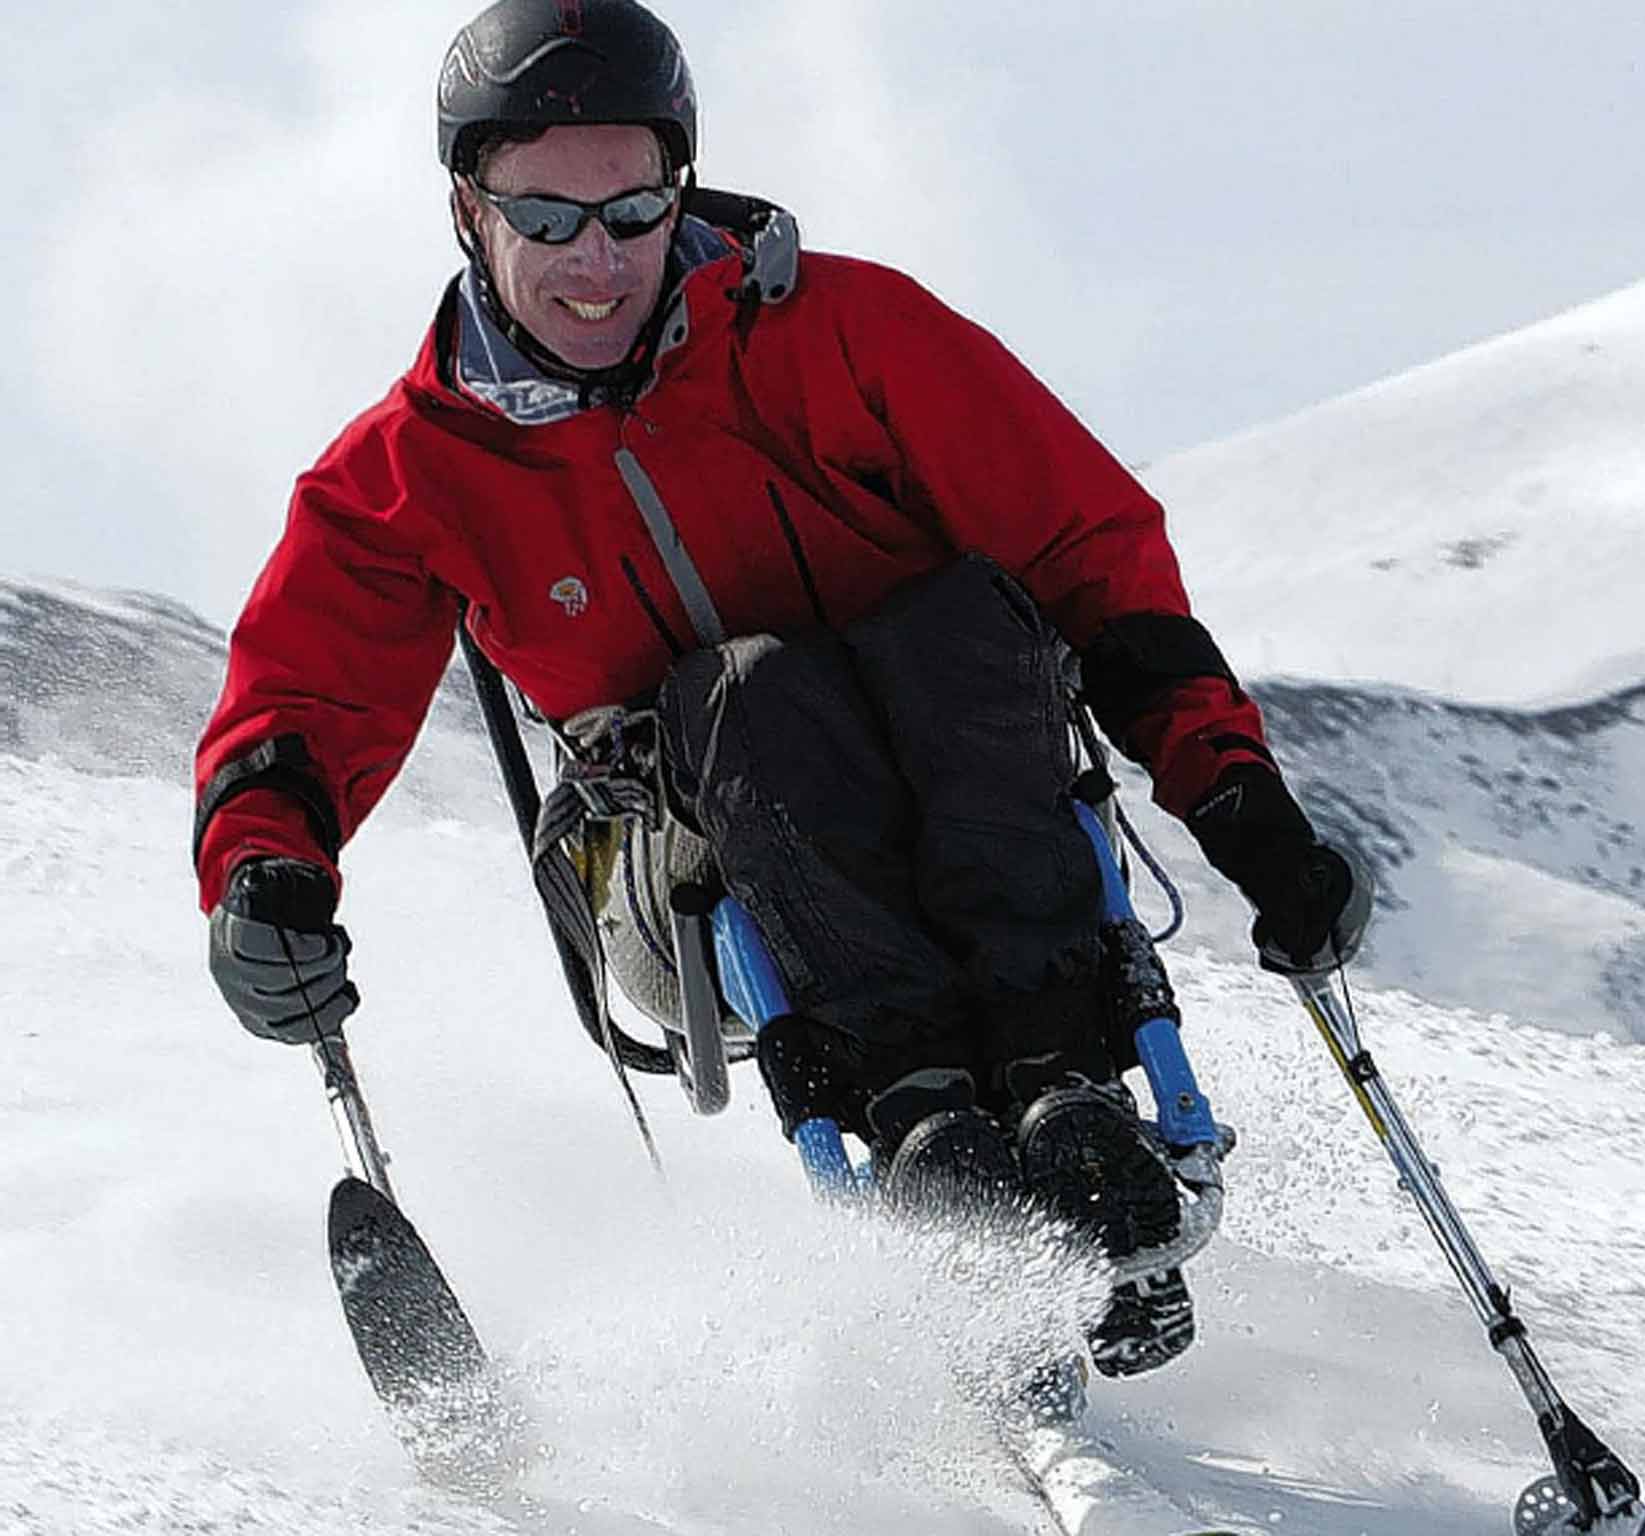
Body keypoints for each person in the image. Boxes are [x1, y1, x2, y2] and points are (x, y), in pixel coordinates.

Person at [198, 0, 1368, 1382]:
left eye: (632, 214)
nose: (600, 262)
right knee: (753, 693)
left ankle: (1068, 1100)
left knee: (950, 624)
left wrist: (1234, 791)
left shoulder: (846, 331)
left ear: (677, 188)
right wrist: (264, 879)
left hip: (976, 794)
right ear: (470, 207)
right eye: (549, 219)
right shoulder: (409, 476)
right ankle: (927, 1127)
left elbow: (1087, 552)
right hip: (694, 885)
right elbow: (301, 704)